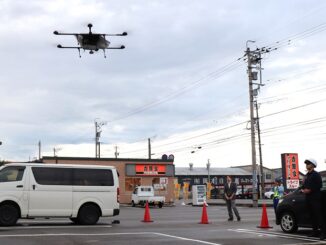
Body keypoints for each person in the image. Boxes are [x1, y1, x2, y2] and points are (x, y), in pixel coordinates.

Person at [300, 158, 326, 240]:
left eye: (308, 163)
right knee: (312, 215)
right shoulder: (307, 175)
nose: (307, 165)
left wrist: (310, 190)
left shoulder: (316, 174)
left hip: (315, 198)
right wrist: (302, 188)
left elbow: (319, 185)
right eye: (306, 164)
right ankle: (315, 232)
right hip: (308, 198)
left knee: (318, 216)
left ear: (313, 165)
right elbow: (303, 186)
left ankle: (324, 233)